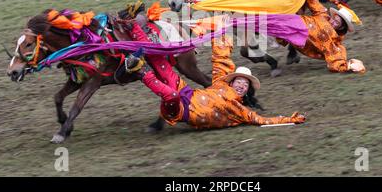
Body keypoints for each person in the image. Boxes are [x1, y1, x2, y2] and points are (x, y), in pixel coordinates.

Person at [125, 19, 305, 129]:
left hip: (182, 110)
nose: (242, 85)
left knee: (170, 95)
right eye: (240, 82)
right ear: (232, 81)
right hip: (187, 92)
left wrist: (291, 119)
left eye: (245, 85)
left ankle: (141, 71)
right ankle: (132, 26)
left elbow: (263, 120)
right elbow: (221, 55)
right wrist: (221, 31)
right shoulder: (220, 82)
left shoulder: (239, 110)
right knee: (161, 62)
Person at [279, 0, 366, 73]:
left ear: (341, 27)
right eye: (334, 19)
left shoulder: (334, 42)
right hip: (293, 22)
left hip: (295, 35)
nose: (333, 22)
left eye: (337, 23)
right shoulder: (323, 15)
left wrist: (348, 66)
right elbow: (313, 0)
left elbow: (337, 60)